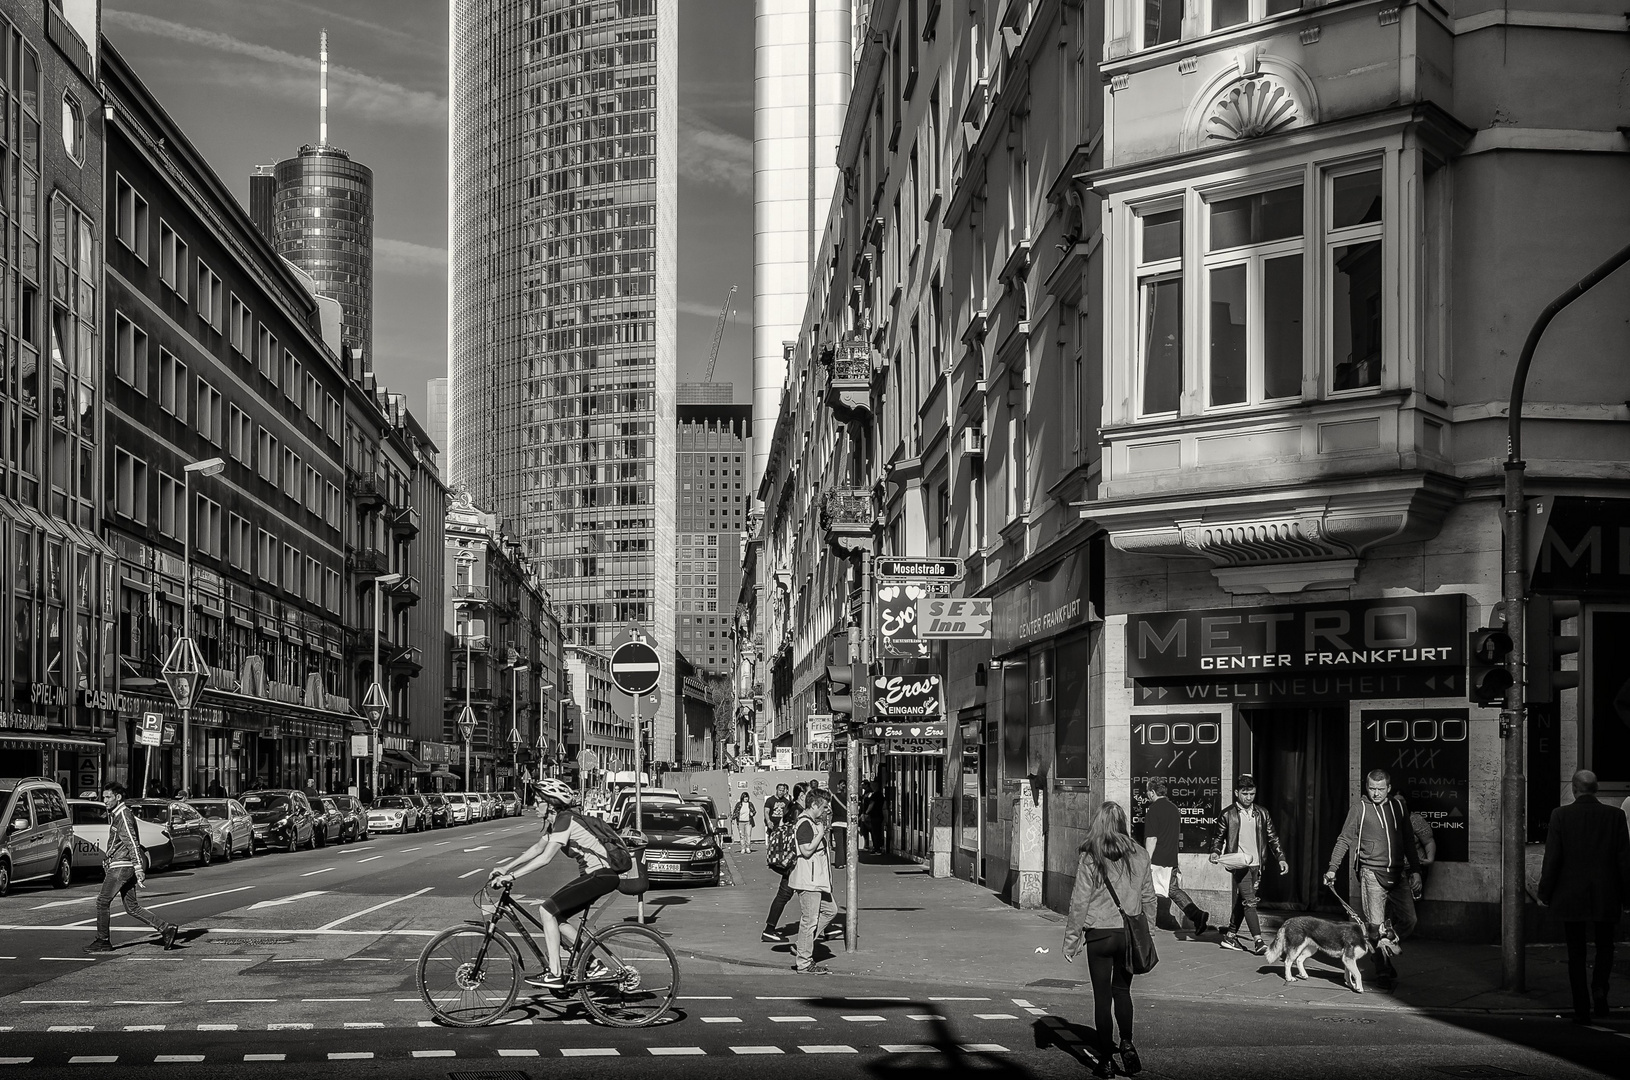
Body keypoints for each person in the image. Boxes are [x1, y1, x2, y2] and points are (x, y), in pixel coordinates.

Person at [488, 777, 631, 990]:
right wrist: (506, 867)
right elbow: (537, 848)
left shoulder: (565, 819)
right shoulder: (559, 822)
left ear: (551, 803)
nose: (534, 805)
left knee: (546, 910)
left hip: (602, 875)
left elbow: (545, 858)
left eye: (538, 801)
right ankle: (593, 964)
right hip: (596, 876)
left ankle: (555, 973)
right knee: (558, 918)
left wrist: (512, 877)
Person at [1064, 802, 1155, 1078]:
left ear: (1099, 824)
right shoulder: (1139, 854)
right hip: (1128, 935)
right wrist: (1147, 932)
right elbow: (1149, 898)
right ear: (1123, 823)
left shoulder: (1092, 856)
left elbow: (1079, 901)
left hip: (1100, 935)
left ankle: (1104, 1060)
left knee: (1102, 998)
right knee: (1122, 992)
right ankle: (1126, 1041)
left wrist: (1072, 939)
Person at [1538, 769, 1630, 1023]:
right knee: (1605, 946)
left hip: (1571, 895)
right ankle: (1600, 989)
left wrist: (1544, 892)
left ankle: (1581, 1004)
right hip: (1606, 893)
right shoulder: (1615, 816)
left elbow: (1552, 860)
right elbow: (1624, 861)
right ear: (1596, 788)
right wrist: (1627, 897)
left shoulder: (1561, 816)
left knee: (1575, 950)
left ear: (1574, 789)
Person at [1323, 769, 1421, 987]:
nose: (1376, 793)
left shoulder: (1398, 807)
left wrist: (1416, 870)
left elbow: (1407, 839)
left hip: (1397, 872)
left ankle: (1384, 945)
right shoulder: (1359, 808)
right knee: (1374, 927)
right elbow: (1344, 839)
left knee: (1409, 920)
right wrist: (1332, 868)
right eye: (1371, 788)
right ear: (1366, 787)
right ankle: (1383, 970)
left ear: (1389, 788)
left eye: (1380, 789)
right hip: (1371, 874)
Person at [88, 782, 178, 953]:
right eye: (104, 797)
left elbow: (132, 842)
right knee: (132, 907)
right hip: (122, 865)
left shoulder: (123, 815)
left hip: (122, 866)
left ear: (118, 797)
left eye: (108, 797)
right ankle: (166, 929)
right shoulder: (119, 814)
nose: (104, 800)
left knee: (102, 902)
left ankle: (103, 941)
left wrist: (138, 867)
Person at [1209, 774, 1287, 956]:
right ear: (1237, 793)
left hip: (1258, 865)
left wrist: (1281, 857)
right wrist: (1215, 851)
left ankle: (1230, 935)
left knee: (1243, 900)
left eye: (1252, 794)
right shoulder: (1228, 814)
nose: (1249, 797)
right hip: (1239, 865)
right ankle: (1258, 941)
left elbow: (1272, 837)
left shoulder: (1262, 813)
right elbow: (1218, 837)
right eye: (1245, 794)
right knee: (1250, 902)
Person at [1142, 780, 1209, 936]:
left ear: (1152, 792)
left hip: (1157, 859)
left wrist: (1146, 860)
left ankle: (1146, 927)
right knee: (1172, 889)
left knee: (1146, 891)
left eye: (1147, 792)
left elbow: (1151, 838)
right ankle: (1197, 915)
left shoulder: (1153, 810)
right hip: (1170, 857)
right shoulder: (1173, 809)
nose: (1146, 795)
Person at [790, 789, 839, 974]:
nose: (826, 810)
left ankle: (802, 945)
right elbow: (806, 851)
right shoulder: (805, 823)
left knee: (830, 910)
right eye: (824, 806)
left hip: (817, 881)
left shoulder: (811, 823)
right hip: (808, 881)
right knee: (809, 921)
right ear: (813, 805)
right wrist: (821, 833)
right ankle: (804, 962)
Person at [1408, 811, 1436, 893]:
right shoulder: (1385, 818)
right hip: (1391, 868)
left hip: (1413, 867)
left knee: (1413, 900)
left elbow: (1429, 841)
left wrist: (1430, 859)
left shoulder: (1415, 819)